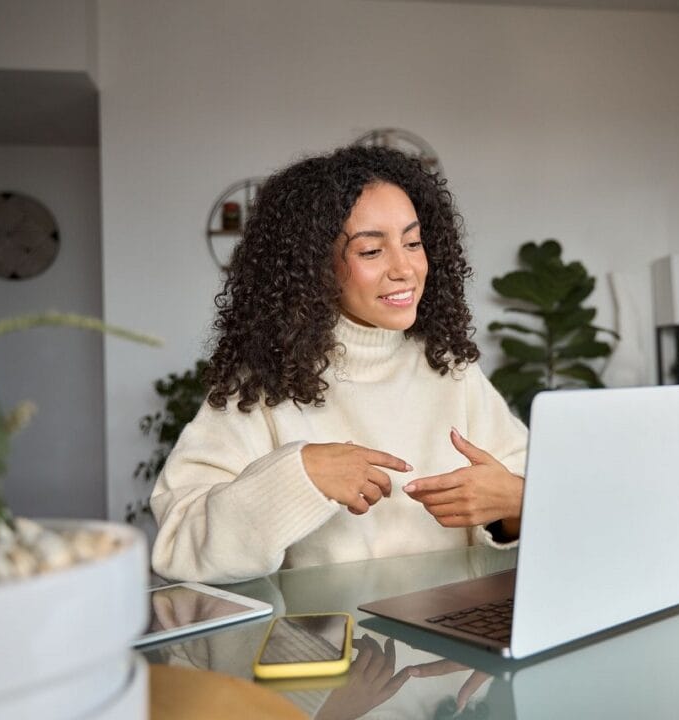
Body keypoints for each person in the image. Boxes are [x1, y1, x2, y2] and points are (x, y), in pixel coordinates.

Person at [150, 145, 528, 584]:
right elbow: (178, 544)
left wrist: (518, 503)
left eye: (412, 242)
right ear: (315, 266)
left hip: (453, 640)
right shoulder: (263, 387)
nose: (404, 268)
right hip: (331, 647)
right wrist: (299, 476)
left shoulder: (450, 370)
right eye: (371, 251)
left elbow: (536, 496)